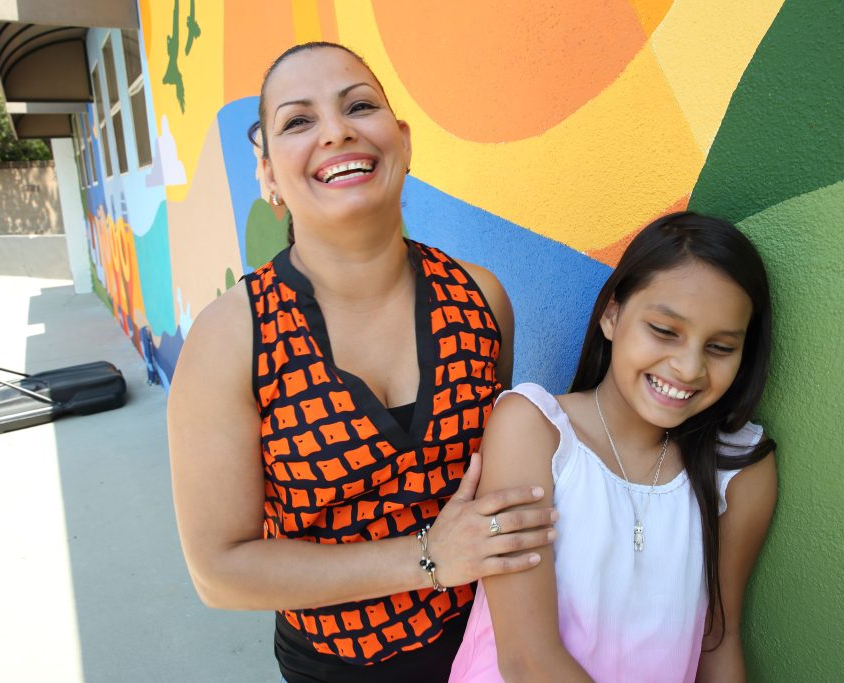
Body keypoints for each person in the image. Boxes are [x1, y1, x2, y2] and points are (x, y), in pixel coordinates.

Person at [166, 42, 556, 683]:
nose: (337, 130)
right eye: (298, 121)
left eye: (359, 106)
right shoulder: (232, 338)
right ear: (267, 175)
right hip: (336, 667)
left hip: (492, 642)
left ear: (401, 142)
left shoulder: (482, 300)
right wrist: (428, 557)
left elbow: (489, 479)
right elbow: (219, 571)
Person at [449, 212, 779, 683]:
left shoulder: (739, 470)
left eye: (720, 347)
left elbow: (718, 643)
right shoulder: (534, 429)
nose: (688, 368)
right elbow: (526, 658)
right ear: (612, 314)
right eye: (665, 331)